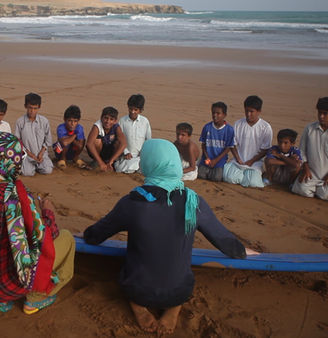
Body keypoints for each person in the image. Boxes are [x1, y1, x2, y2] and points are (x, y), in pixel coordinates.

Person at [83, 139, 256, 335]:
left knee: (126, 276)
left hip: (137, 290)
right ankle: (174, 308)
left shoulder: (132, 202)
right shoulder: (194, 201)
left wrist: (85, 234)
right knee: (181, 277)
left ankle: (138, 307)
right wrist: (243, 251)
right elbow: (223, 240)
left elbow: (95, 235)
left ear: (148, 164)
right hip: (179, 291)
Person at [0, 132, 75, 314]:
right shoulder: (11, 194)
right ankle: (35, 299)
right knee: (67, 238)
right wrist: (48, 212)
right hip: (4, 284)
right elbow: (42, 236)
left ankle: (0, 301)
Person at [291, 97, 328, 200]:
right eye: (319, 113)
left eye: (325, 113)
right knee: (303, 191)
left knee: (326, 195)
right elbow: (302, 150)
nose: (321, 116)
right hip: (310, 172)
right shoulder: (309, 129)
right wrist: (306, 168)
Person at [224, 95, 273, 188]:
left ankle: (259, 174)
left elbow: (265, 149)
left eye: (251, 111)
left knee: (253, 184)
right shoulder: (238, 124)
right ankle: (243, 175)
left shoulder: (265, 127)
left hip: (255, 163)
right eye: (246, 111)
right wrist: (238, 159)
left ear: (259, 112)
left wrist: (251, 161)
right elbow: (232, 144)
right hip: (238, 161)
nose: (248, 114)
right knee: (228, 178)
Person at [14, 93, 54, 176]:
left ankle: (39, 165)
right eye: (30, 108)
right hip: (27, 155)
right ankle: (30, 166)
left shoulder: (44, 121)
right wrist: (30, 154)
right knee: (27, 173)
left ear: (39, 107)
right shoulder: (20, 122)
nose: (32, 111)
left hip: (41, 155)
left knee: (48, 170)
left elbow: (48, 140)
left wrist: (41, 153)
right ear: (25, 106)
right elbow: (18, 142)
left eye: (35, 108)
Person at [198, 101, 235, 182]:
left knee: (217, 178)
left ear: (224, 115)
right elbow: (203, 145)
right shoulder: (207, 127)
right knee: (200, 175)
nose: (215, 115)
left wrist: (216, 160)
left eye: (218, 113)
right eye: (213, 113)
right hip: (207, 159)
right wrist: (207, 157)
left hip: (219, 161)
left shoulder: (229, 130)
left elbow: (228, 148)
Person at [114, 94, 152, 173]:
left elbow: (148, 140)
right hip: (127, 155)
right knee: (124, 167)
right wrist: (126, 152)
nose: (132, 112)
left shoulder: (145, 121)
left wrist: (143, 152)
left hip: (141, 155)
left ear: (141, 110)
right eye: (130, 109)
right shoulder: (122, 121)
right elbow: (118, 139)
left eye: (135, 109)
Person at [86, 106, 127, 172]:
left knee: (119, 142)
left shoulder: (116, 127)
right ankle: (96, 161)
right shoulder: (97, 126)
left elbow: (124, 143)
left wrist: (111, 160)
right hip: (99, 151)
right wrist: (100, 162)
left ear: (115, 121)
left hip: (109, 151)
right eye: (106, 118)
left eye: (111, 119)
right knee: (97, 141)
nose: (108, 121)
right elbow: (89, 144)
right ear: (101, 118)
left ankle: (111, 162)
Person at [53, 105, 87, 169]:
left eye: (75, 121)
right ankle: (62, 159)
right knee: (63, 142)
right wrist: (74, 135)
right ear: (64, 119)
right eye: (70, 121)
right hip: (60, 152)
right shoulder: (61, 128)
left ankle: (75, 157)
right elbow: (64, 143)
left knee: (83, 140)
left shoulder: (79, 128)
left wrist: (70, 138)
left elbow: (80, 145)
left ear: (78, 121)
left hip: (72, 150)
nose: (72, 124)